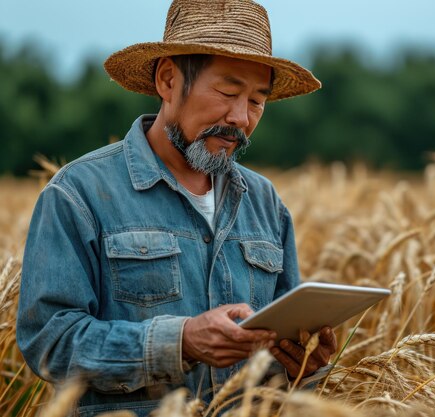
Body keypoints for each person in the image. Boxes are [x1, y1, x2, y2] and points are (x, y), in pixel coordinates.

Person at [16, 1, 337, 416]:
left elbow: (273, 360)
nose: (240, 117)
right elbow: (50, 343)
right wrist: (180, 341)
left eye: (258, 101)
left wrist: (301, 362)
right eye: (227, 91)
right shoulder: (79, 194)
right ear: (169, 80)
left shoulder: (265, 204)